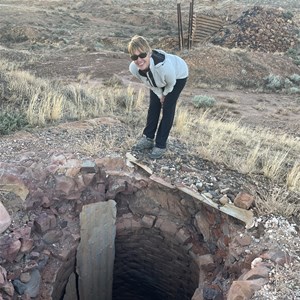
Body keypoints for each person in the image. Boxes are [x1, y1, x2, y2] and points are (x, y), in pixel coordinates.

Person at [128, 35, 188, 159]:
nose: (139, 60)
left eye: (142, 55)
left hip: (178, 75)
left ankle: (160, 144)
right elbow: (149, 83)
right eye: (134, 57)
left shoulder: (164, 66)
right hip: (157, 79)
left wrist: (165, 95)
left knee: (167, 108)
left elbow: (171, 83)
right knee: (154, 106)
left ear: (149, 52)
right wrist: (159, 95)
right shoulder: (134, 68)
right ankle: (148, 138)